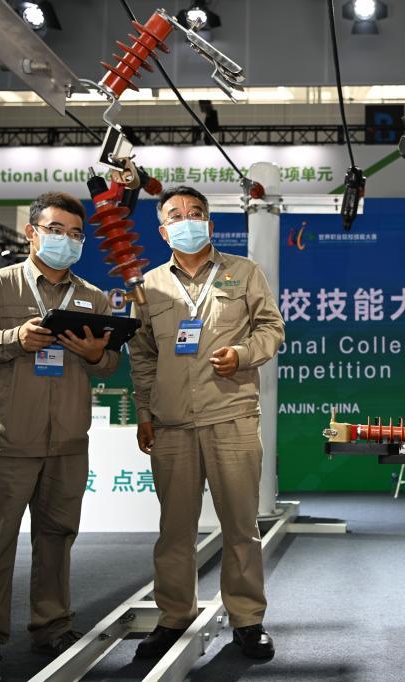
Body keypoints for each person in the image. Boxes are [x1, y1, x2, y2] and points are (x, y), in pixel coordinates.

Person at [0, 191, 121, 682]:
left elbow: (109, 363)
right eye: (56, 230)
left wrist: (95, 355)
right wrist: (13, 339)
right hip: (7, 439)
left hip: (67, 442)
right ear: (32, 232)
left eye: (76, 234)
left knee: (57, 539)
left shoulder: (93, 297)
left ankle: (52, 625)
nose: (67, 240)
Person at [129, 186, 284, 661]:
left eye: (195, 213)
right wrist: (144, 412)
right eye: (175, 215)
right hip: (172, 423)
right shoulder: (149, 285)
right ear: (163, 231)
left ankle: (247, 620)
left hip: (231, 415)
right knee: (175, 530)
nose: (187, 220)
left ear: (210, 224)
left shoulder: (244, 272)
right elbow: (142, 355)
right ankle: (173, 616)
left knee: (240, 526)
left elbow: (272, 328)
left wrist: (243, 353)